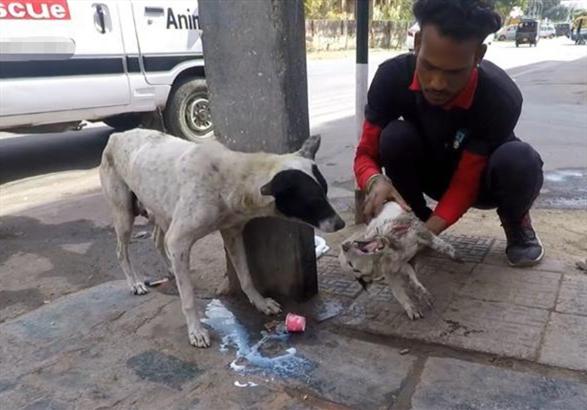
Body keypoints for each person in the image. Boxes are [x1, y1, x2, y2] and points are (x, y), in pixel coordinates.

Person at [354, 0, 544, 267]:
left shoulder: (500, 97)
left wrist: (424, 238)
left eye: (454, 73)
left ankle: (516, 222)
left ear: (479, 55)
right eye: (429, 67)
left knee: (520, 158)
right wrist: (374, 179)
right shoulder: (391, 77)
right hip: (429, 173)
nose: (437, 84)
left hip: (482, 182)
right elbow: (365, 153)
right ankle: (416, 218)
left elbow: (466, 183)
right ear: (418, 43)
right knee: (394, 136)